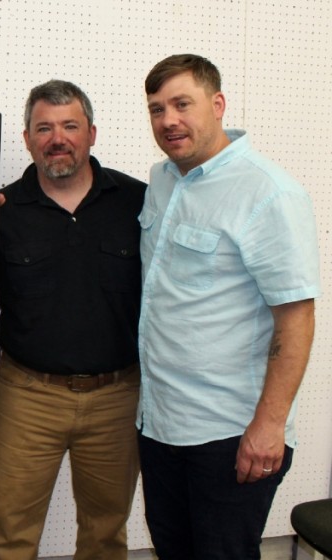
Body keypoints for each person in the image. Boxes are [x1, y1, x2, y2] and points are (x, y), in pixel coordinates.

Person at [137, 54, 319, 559]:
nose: (168, 119)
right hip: (161, 424)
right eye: (156, 109)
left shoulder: (269, 192)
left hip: (230, 433)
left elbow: (296, 317)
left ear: (217, 105)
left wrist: (269, 424)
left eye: (181, 104)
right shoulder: (162, 179)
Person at [0, 80, 145, 560]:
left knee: (106, 535)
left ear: (91, 133)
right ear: (28, 139)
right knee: (7, 533)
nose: (58, 138)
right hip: (27, 397)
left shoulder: (138, 203)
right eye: (44, 128)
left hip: (118, 398)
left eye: (70, 126)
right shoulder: (1, 212)